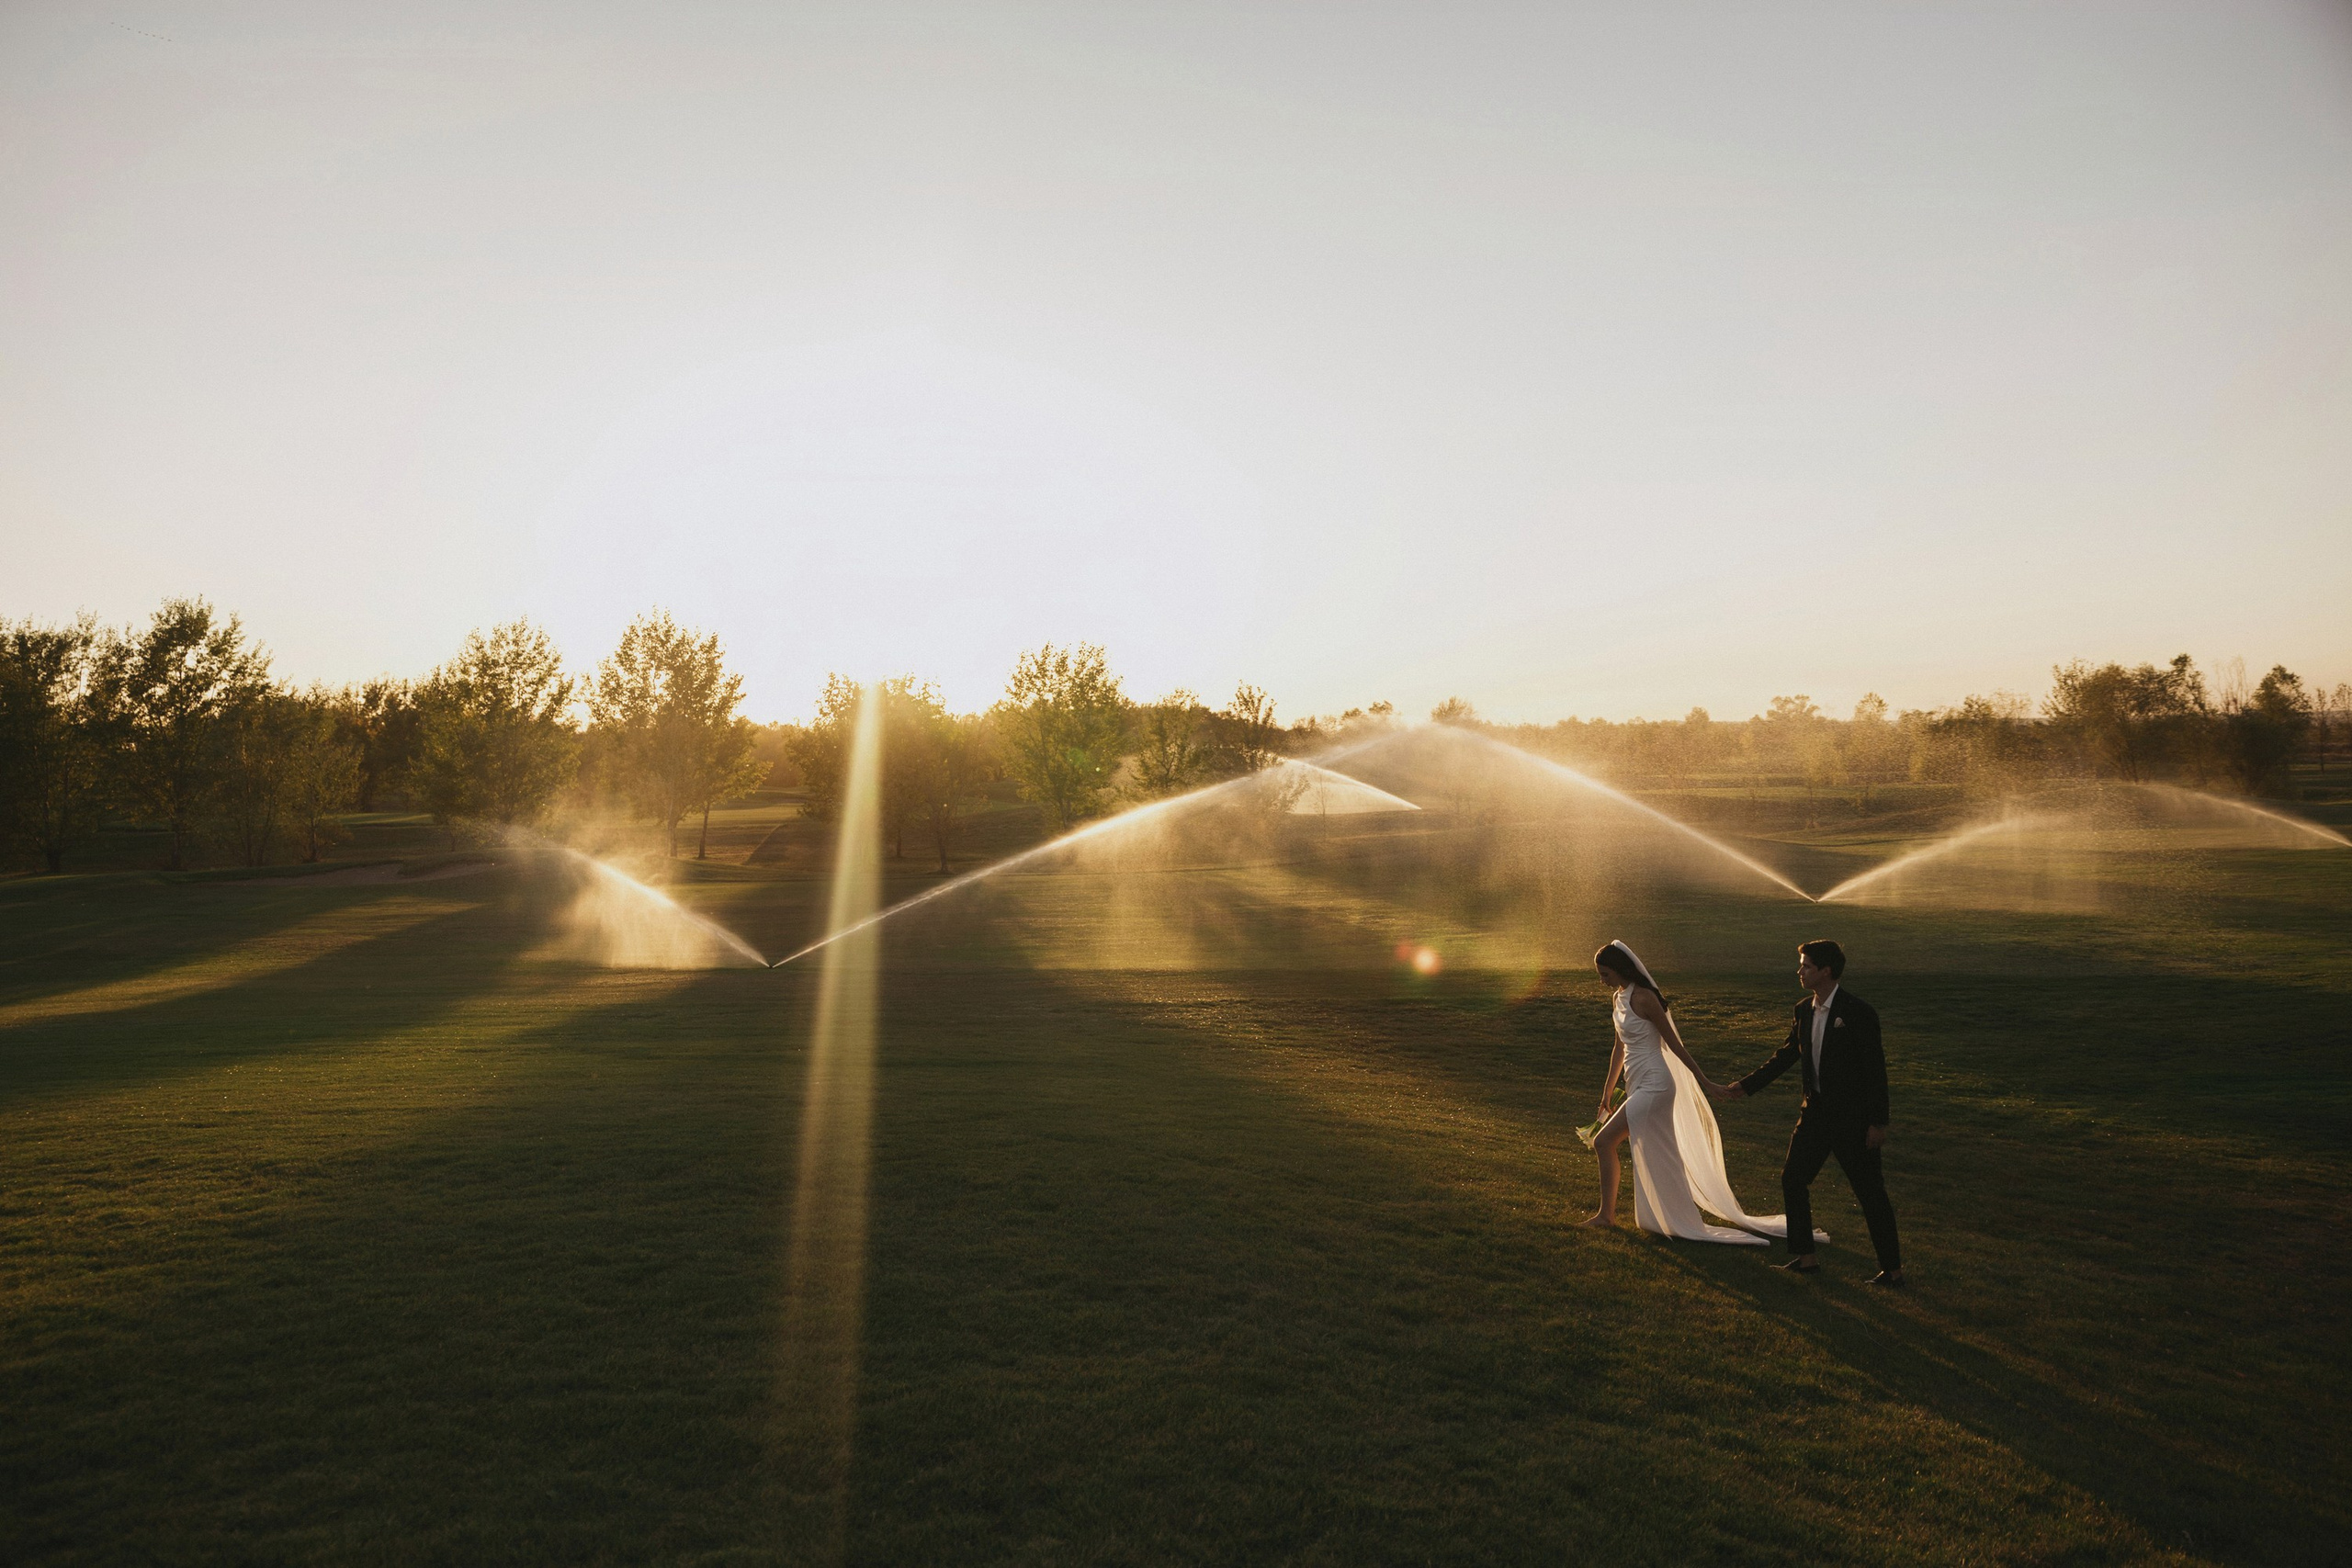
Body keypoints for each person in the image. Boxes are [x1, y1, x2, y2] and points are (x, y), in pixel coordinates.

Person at [1579, 941, 1823, 1248]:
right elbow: (1620, 1047)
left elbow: (1676, 1047)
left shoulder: (1645, 998)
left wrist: (1707, 1083)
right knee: (1651, 1150)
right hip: (1637, 1081)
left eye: (1605, 973)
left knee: (1604, 1141)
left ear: (1620, 968)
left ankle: (1607, 1215)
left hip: (1656, 1083)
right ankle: (1621, 1214)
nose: (1602, 980)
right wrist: (1607, 1092)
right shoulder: (1618, 998)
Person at [1713, 940, 1905, 1286]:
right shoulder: (1803, 1009)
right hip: (1814, 1115)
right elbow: (1786, 1055)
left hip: (1854, 1121)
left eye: (1805, 966)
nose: (1799, 971)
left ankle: (1892, 1271)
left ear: (1826, 971)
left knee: (1870, 1192)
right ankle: (1806, 1259)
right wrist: (1747, 1085)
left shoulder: (1858, 1012)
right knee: (1793, 1179)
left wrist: (1878, 1123)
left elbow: (1875, 1071)